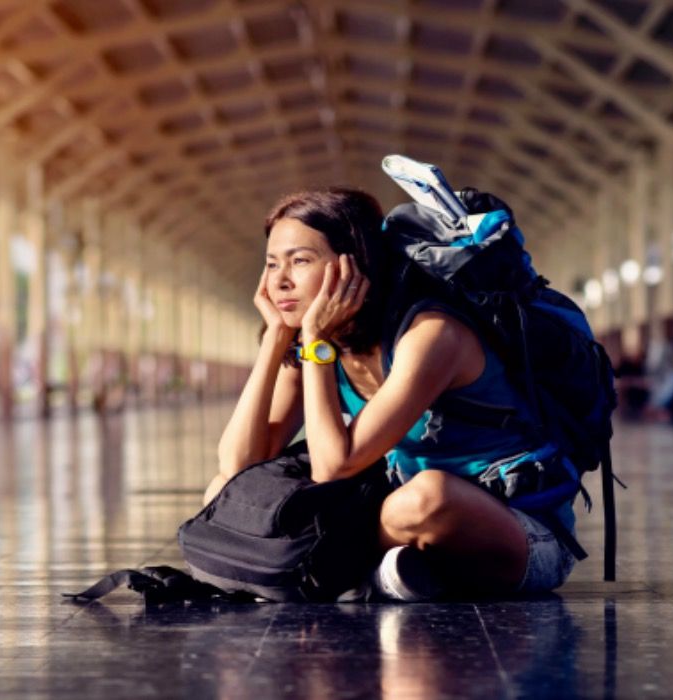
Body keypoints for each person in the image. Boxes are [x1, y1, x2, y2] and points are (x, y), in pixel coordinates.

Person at [206, 189, 578, 601]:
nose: (279, 281)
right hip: (393, 519)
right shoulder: (318, 341)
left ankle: (344, 574)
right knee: (220, 490)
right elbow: (238, 464)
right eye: (272, 263)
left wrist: (314, 340)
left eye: (300, 261)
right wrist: (277, 337)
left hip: (520, 533)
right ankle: (380, 575)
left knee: (424, 498)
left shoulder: (433, 335)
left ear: (354, 265)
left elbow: (335, 466)